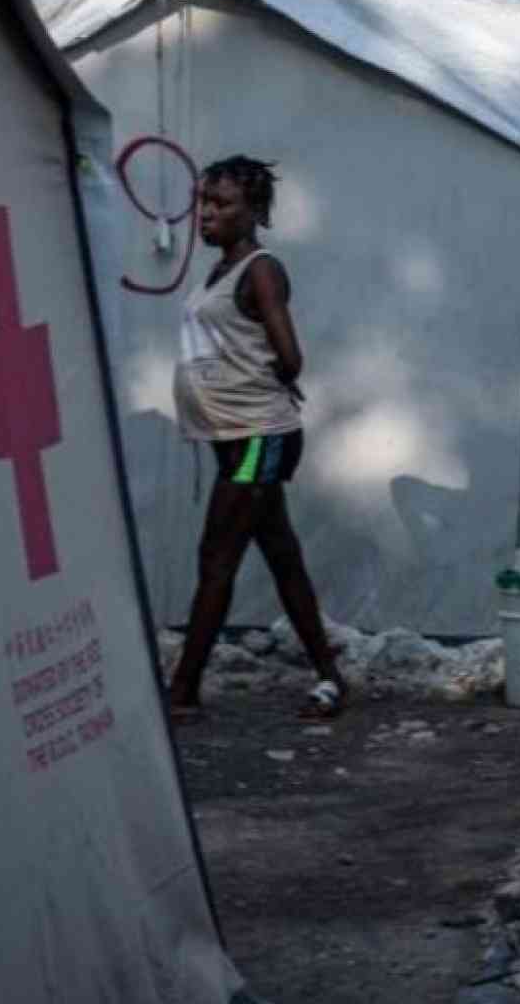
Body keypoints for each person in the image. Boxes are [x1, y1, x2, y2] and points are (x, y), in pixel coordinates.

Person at [167, 154, 345, 723]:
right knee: (281, 556)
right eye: (204, 202)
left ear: (255, 212)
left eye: (222, 204)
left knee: (217, 556)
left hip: (258, 440)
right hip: (236, 438)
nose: (207, 214)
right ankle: (330, 677)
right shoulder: (219, 271)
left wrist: (262, 385)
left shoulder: (260, 271)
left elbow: (291, 357)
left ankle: (182, 691)